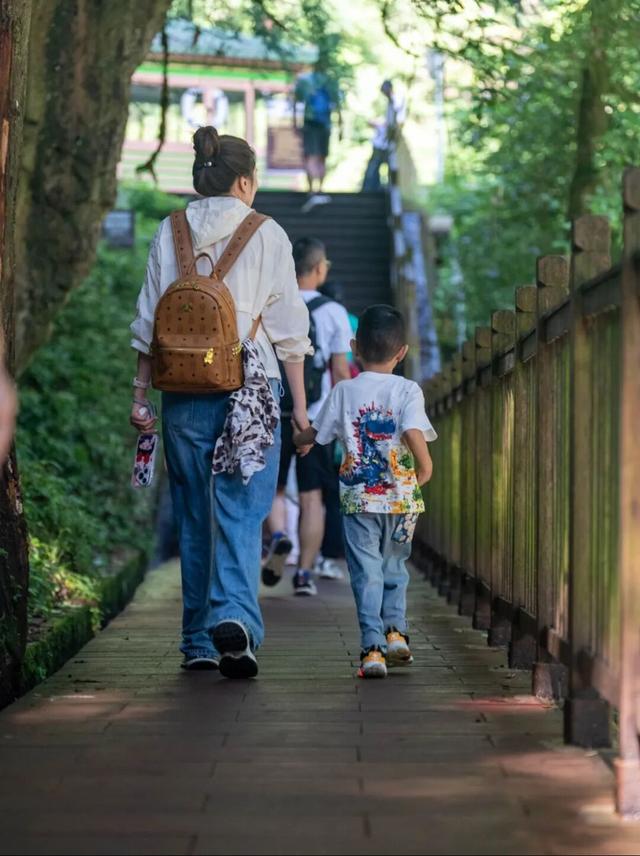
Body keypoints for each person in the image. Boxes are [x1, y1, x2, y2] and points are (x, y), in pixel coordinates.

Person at [130, 126, 312, 679]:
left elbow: (147, 323)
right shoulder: (268, 233)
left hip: (183, 389)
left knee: (192, 514)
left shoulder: (171, 230)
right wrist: (300, 411)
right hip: (251, 394)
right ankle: (234, 616)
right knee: (240, 509)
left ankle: (196, 642)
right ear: (244, 180)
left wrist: (140, 397)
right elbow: (289, 333)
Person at [292, 305, 437, 678]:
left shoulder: (344, 390)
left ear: (354, 348)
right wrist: (425, 466)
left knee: (366, 572)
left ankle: (372, 649)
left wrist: (301, 440)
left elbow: (318, 432)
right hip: (403, 499)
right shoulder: (408, 389)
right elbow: (411, 430)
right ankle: (397, 633)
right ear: (402, 352)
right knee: (395, 567)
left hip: (359, 500)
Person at [263, 237, 352, 596]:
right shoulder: (333, 312)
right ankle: (303, 575)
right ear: (319, 269)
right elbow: (341, 373)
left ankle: (281, 536)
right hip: (316, 419)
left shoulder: (272, 304)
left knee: (275, 488)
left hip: (272, 411)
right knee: (314, 496)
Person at [294, 64, 342, 198]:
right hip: (325, 124)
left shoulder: (305, 81)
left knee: (309, 156)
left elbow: (296, 102)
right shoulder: (331, 82)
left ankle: (310, 189)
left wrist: (295, 123)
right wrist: (340, 127)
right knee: (322, 157)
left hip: (309, 124)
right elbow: (337, 106)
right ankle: (320, 188)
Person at [362, 80, 406, 192]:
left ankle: (385, 188)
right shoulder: (391, 102)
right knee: (376, 165)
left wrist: (382, 125)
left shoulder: (396, 101)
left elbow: (396, 122)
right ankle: (372, 188)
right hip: (383, 141)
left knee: (385, 164)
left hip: (389, 141)